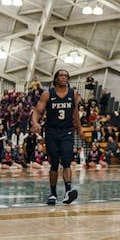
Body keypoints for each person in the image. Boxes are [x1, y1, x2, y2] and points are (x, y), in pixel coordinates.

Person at [30, 69, 81, 205]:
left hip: (67, 132)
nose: (64, 77)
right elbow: (37, 111)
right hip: (52, 132)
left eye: (66, 75)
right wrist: (35, 122)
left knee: (66, 161)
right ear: (56, 79)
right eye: (61, 75)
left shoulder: (73, 93)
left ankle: (68, 192)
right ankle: (52, 194)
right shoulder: (48, 94)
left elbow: (75, 113)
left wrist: (80, 129)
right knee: (54, 163)